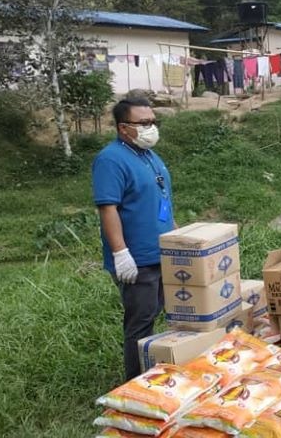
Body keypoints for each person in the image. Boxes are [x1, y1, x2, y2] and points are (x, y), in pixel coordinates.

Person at [92, 97, 176, 380]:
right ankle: (135, 384)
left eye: (153, 122)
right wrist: (120, 253)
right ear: (123, 128)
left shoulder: (149, 155)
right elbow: (108, 207)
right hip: (138, 259)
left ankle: (157, 375)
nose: (151, 127)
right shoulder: (110, 160)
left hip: (162, 253)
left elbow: (162, 200)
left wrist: (179, 240)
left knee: (159, 316)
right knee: (140, 324)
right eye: (144, 123)